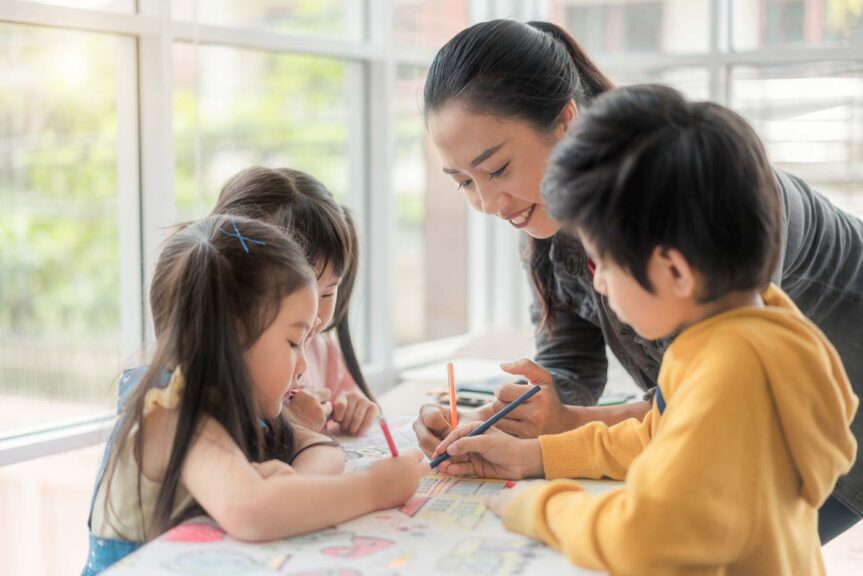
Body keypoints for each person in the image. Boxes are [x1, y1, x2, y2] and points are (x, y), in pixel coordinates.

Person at [412, 18, 863, 542]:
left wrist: (546, 486)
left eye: (496, 169)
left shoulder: (703, 200)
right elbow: (630, 399)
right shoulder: (549, 214)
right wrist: (520, 415)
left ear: (564, 121)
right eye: (463, 182)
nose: (487, 205)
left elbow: (682, 437)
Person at [82, 215, 428, 575]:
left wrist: (287, 486)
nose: (302, 365)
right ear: (230, 338)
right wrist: (375, 487)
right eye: (294, 342)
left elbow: (318, 451)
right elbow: (253, 509)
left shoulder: (231, 400)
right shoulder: (171, 414)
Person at [215, 166, 379, 436]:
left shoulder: (321, 349)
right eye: (307, 294)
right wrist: (291, 426)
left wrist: (352, 407)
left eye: (328, 292)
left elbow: (346, 397)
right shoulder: (227, 362)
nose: (315, 316)